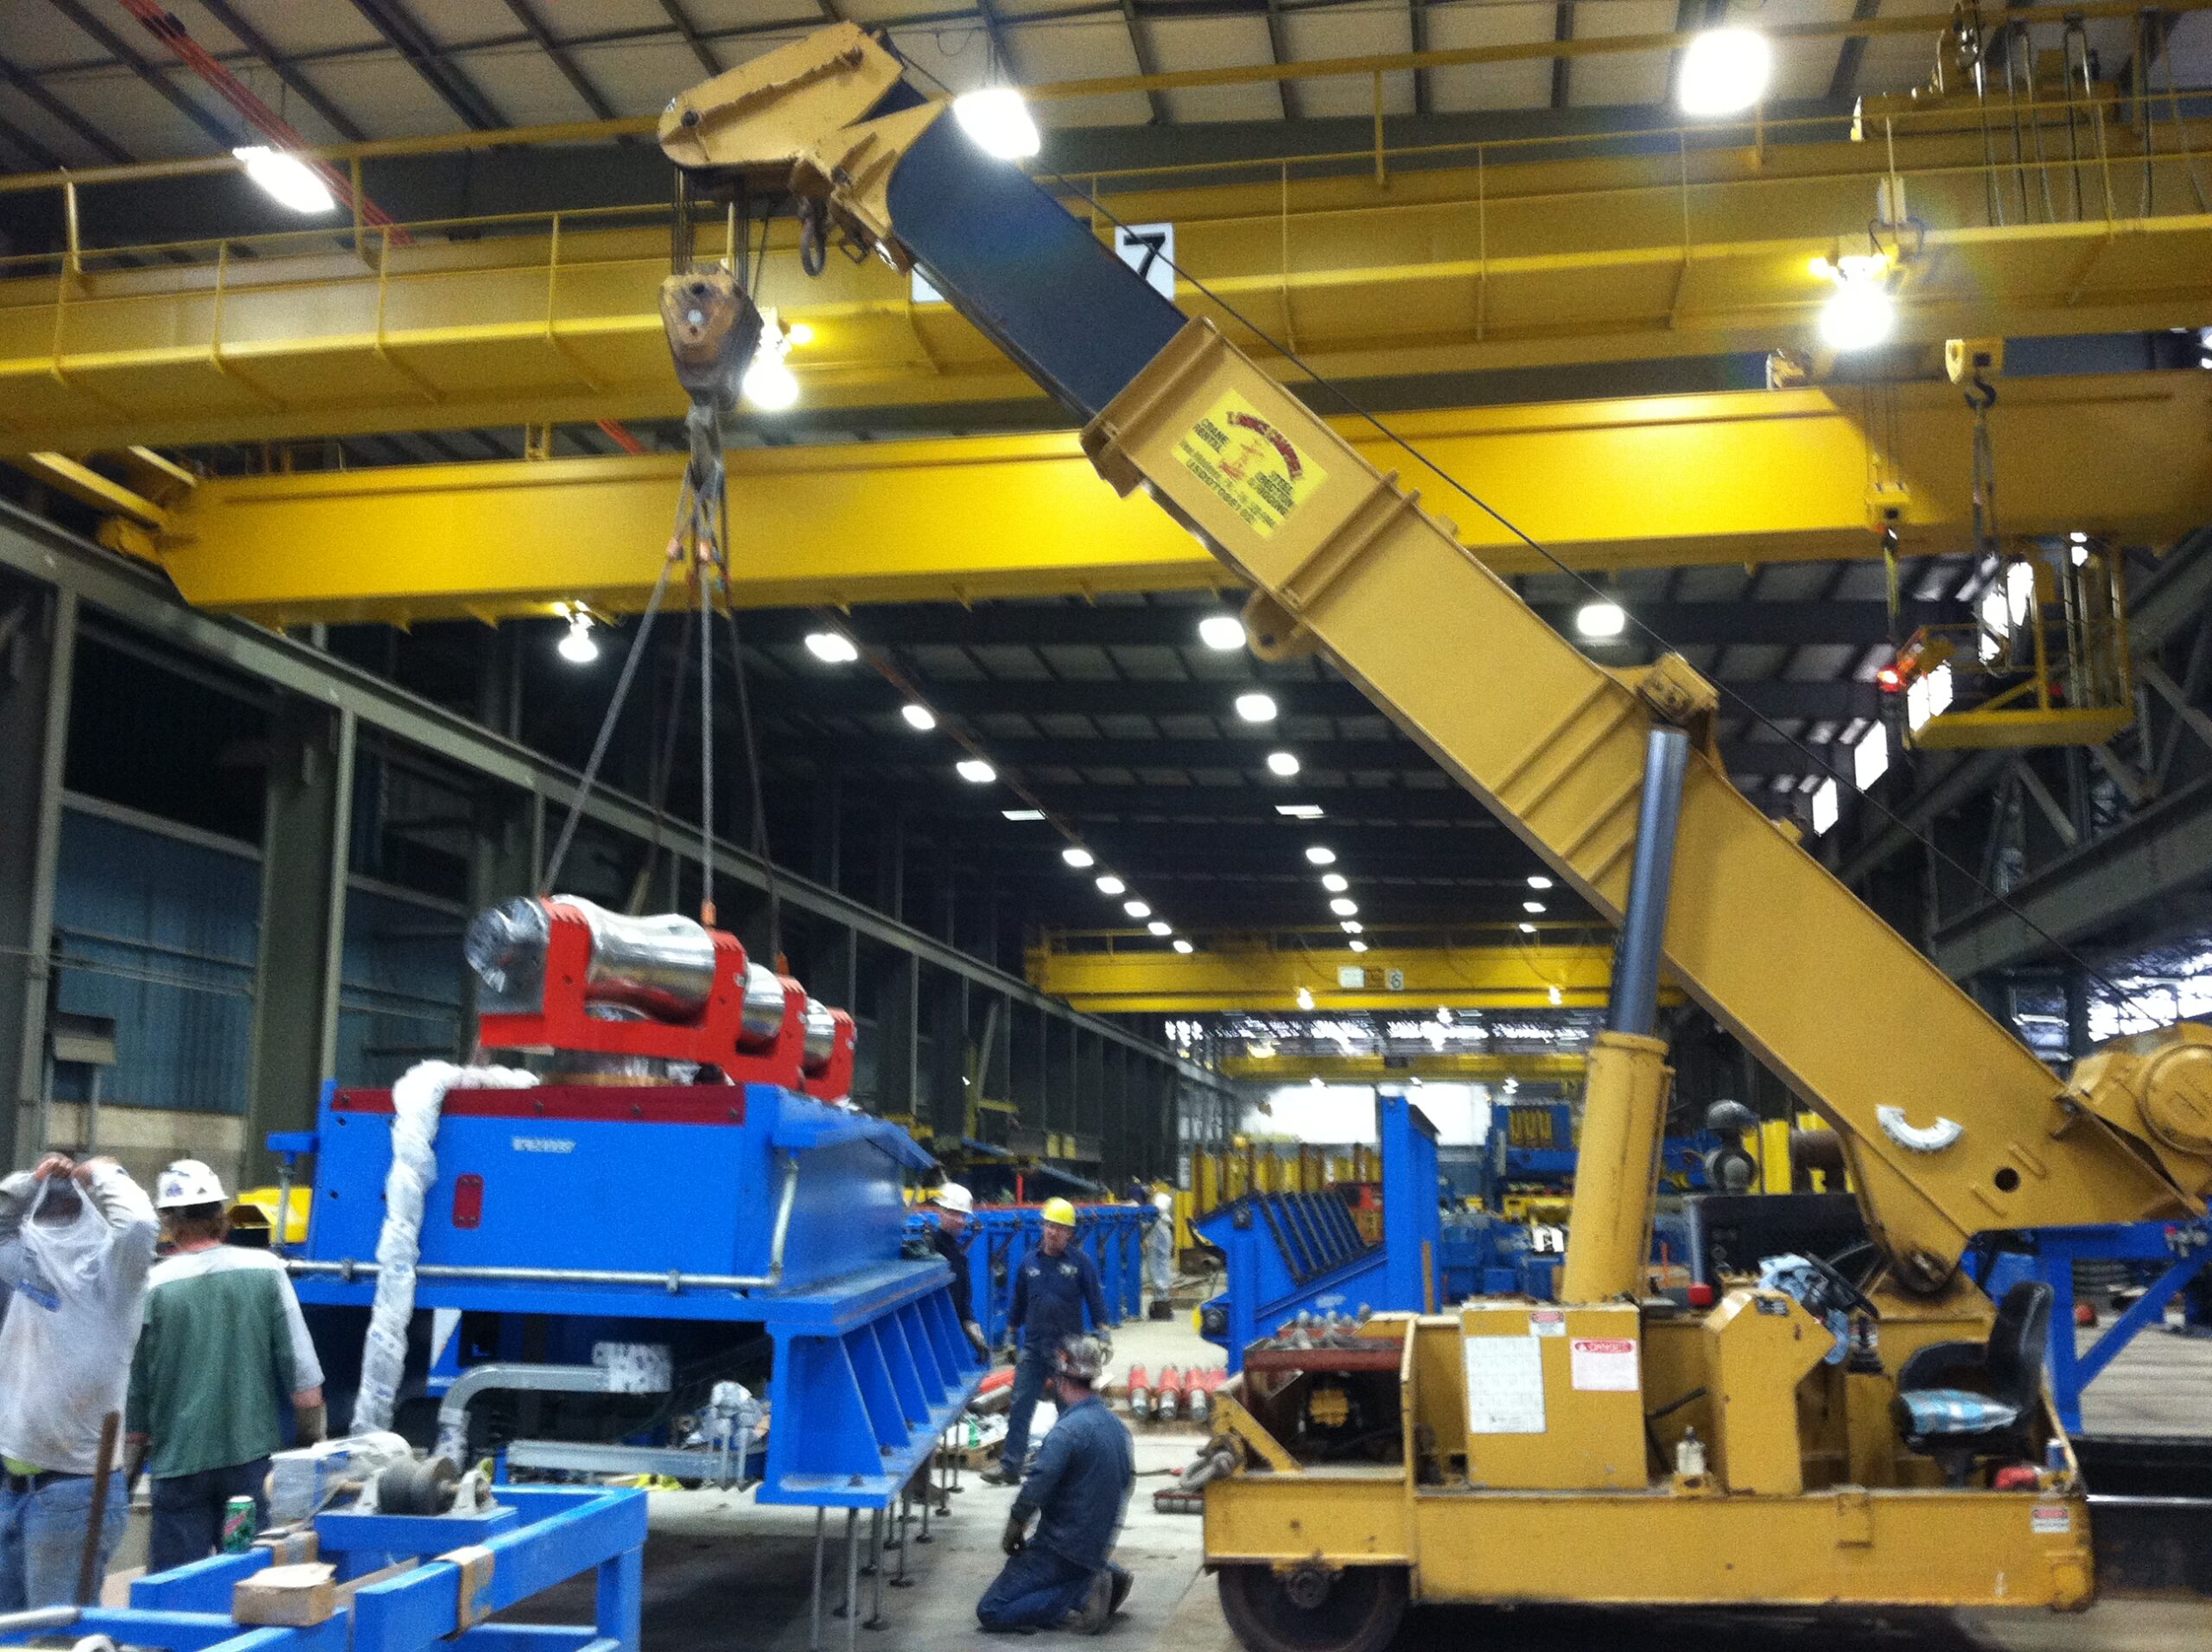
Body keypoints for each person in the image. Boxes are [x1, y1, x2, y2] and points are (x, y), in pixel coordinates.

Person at [127, 1160, 327, 1575]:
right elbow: (305, 1379)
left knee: (177, 1592)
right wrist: (310, 1442)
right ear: (221, 1215)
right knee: (245, 1579)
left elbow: (138, 1396)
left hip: (179, 1468)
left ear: (169, 1221)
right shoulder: (267, 1270)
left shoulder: (153, 1288)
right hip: (248, 1470)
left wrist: (129, 1469)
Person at [0, 1153, 156, 1611]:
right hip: (10, 1484)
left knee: (55, 1639)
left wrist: (104, 1171)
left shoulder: (112, 1280)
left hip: (74, 1494)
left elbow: (140, 1226)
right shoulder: (25, 1265)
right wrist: (32, 1180)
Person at [978, 1334, 1134, 1635]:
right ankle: (1106, 1575)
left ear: (1060, 1381)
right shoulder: (1117, 1429)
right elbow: (1125, 1484)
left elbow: (1037, 1486)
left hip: (1060, 1549)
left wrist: (1015, 1526)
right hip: (1093, 1546)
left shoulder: (1067, 1432)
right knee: (1062, 1567)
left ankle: (1083, 1593)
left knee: (993, 1610)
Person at [982, 1198, 1105, 1486]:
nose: (1053, 1233)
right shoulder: (1029, 1263)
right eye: (1050, 1226)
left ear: (1070, 1233)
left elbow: (1095, 1299)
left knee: (1070, 1410)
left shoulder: (1080, 1264)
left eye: (1060, 1228)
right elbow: (1018, 1301)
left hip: (1067, 1351)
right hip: (1034, 1348)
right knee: (1021, 1405)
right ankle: (1010, 1466)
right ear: (1043, 1227)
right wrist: (1012, 1335)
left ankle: (1069, 1468)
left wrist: (1104, 1333)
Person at [930, 1183, 990, 1357]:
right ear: (939, 1211)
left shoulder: (959, 1257)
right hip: (930, 1333)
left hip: (949, 1336)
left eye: (963, 1215)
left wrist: (976, 1335)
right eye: (953, 1213)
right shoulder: (928, 1249)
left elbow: (963, 1304)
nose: (960, 1220)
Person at [1146, 1189, 1175, 1312]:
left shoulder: (1158, 1224)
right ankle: (1162, 1301)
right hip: (1161, 1259)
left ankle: (1161, 1302)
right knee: (1161, 1267)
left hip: (1158, 1259)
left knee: (1158, 1269)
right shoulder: (1164, 1224)